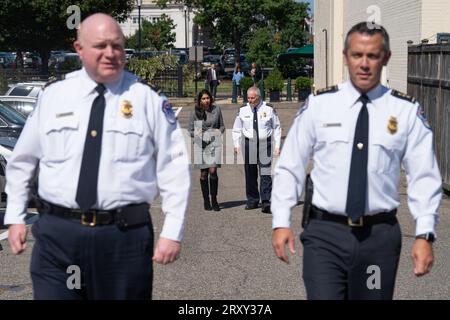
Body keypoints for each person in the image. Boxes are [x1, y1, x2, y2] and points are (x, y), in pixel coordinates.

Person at [4, 13, 191, 300]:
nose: (110, 53)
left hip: (123, 241)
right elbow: (23, 160)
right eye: (101, 46)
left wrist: (172, 231)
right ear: (79, 49)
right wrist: (16, 214)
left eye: (117, 46)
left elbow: (174, 168)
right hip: (59, 239)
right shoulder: (54, 96)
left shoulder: (148, 100)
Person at [271, 22, 442, 300]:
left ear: (385, 58)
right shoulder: (320, 105)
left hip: (378, 240)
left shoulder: (405, 111)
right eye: (357, 55)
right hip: (325, 236)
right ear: (345, 55)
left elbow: (423, 176)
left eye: (372, 56)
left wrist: (425, 233)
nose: (364, 64)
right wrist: (280, 220)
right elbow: (291, 165)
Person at [233, 86, 281, 214]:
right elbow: (237, 129)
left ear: (259, 97)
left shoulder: (269, 109)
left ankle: (266, 201)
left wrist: (277, 146)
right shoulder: (243, 110)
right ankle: (253, 200)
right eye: (248, 98)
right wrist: (236, 144)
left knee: (265, 173)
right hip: (249, 144)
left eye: (252, 98)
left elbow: (276, 127)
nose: (250, 100)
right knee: (250, 173)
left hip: (265, 144)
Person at [188, 89, 225, 212]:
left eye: (207, 98)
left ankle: (214, 199)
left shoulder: (216, 110)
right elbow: (190, 130)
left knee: (213, 171)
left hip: (214, 143)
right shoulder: (195, 112)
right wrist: (197, 133)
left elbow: (222, 126)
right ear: (199, 100)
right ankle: (206, 200)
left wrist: (218, 131)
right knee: (204, 174)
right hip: (200, 144)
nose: (206, 100)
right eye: (203, 98)